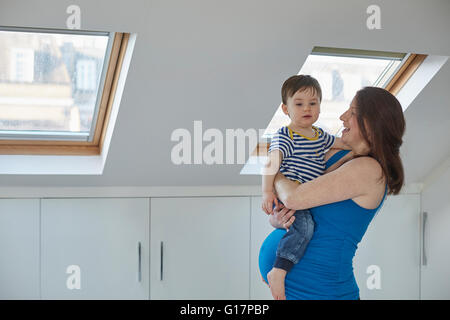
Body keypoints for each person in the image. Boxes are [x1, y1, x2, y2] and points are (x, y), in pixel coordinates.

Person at [259, 86, 406, 300]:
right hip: (299, 291)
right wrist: (280, 222)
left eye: (352, 112)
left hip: (324, 292)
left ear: (371, 123)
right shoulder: (337, 153)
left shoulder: (369, 170)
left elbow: (293, 196)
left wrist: (277, 174)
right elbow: (298, 203)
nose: (342, 116)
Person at [261, 75, 350, 300]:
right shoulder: (285, 135)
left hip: (307, 198)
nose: (306, 109)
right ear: (285, 108)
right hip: (290, 197)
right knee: (306, 227)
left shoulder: (320, 136)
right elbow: (271, 162)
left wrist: (364, 146)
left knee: (312, 229)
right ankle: (279, 271)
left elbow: (344, 145)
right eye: (299, 104)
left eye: (313, 103)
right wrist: (267, 191)